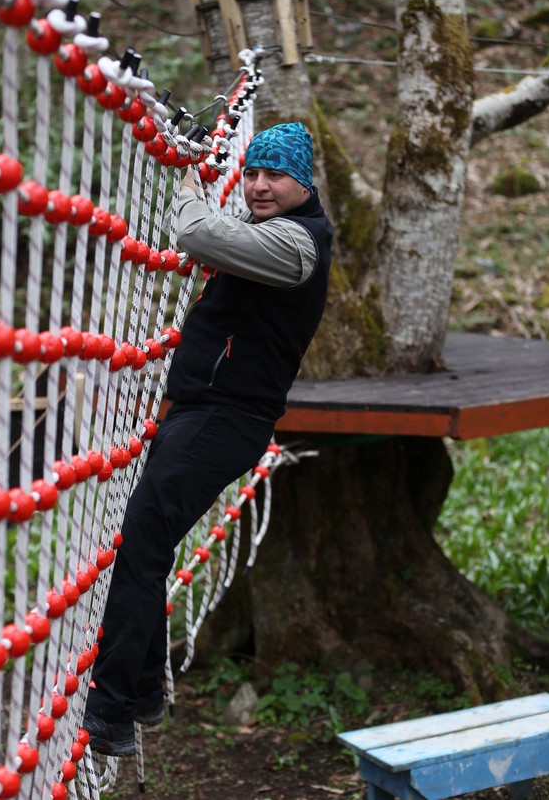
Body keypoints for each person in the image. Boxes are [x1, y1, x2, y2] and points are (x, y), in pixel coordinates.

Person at [84, 121, 333, 756]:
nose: (259, 185)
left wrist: (188, 184)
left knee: (141, 543)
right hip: (202, 412)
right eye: (252, 173)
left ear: (303, 183)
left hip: (225, 420)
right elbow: (222, 230)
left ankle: (112, 709)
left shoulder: (296, 244)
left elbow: (197, 231)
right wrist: (204, 168)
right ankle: (142, 692)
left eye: (274, 175)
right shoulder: (272, 230)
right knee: (146, 543)